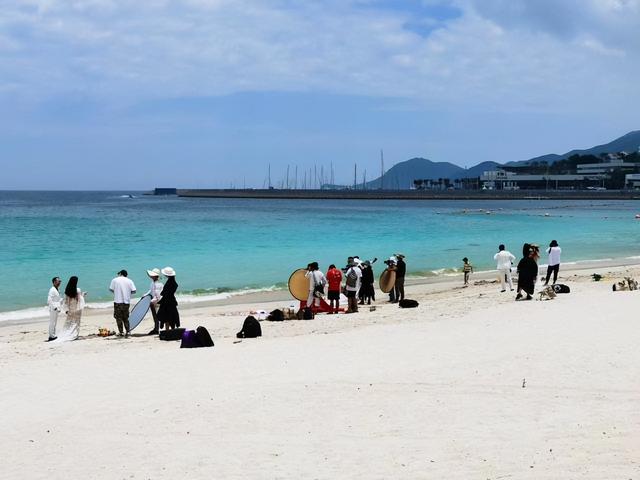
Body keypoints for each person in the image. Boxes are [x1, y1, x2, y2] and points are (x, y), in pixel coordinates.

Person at [109, 269, 137, 337]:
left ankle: (121, 332)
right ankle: (128, 331)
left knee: (118, 318)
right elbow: (134, 291)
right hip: (126, 302)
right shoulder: (129, 281)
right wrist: (127, 293)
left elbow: (111, 289)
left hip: (117, 302)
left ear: (120, 274)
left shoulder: (115, 280)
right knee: (126, 317)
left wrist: (117, 292)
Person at [58, 276, 86, 341]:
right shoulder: (78, 290)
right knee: (76, 322)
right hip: (77, 309)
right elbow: (80, 300)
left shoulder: (67, 290)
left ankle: (67, 333)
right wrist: (83, 295)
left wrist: (66, 310)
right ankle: (75, 334)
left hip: (70, 308)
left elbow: (66, 301)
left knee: (69, 322)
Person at [146, 268, 164, 335]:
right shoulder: (152, 283)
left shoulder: (159, 284)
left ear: (155, 276)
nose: (151, 276)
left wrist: (151, 301)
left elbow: (158, 296)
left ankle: (157, 329)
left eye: (152, 275)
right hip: (153, 302)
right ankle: (156, 329)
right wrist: (145, 295)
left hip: (157, 302)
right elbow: (150, 291)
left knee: (157, 316)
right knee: (155, 316)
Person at [46, 276, 62, 341]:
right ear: (54, 282)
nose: (60, 282)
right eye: (58, 281)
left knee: (55, 322)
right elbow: (49, 300)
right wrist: (54, 307)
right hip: (53, 308)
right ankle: (51, 336)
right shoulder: (52, 290)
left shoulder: (57, 289)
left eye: (60, 281)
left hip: (56, 308)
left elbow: (57, 299)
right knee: (52, 322)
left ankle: (53, 335)